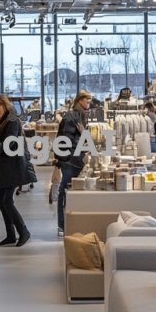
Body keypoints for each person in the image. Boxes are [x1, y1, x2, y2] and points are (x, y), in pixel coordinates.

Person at [0, 94, 33, 247]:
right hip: (3, 166)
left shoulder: (12, 121)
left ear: (3, 107)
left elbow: (9, 143)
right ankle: (10, 235)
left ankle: (24, 231)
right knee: (1, 202)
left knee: (7, 201)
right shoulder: (0, 121)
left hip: (12, 166)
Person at [55, 90, 92, 236]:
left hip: (74, 159)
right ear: (80, 100)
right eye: (88, 101)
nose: (89, 104)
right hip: (71, 160)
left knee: (68, 191)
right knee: (65, 191)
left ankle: (67, 225)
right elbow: (66, 141)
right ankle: (62, 226)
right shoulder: (73, 116)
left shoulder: (79, 116)